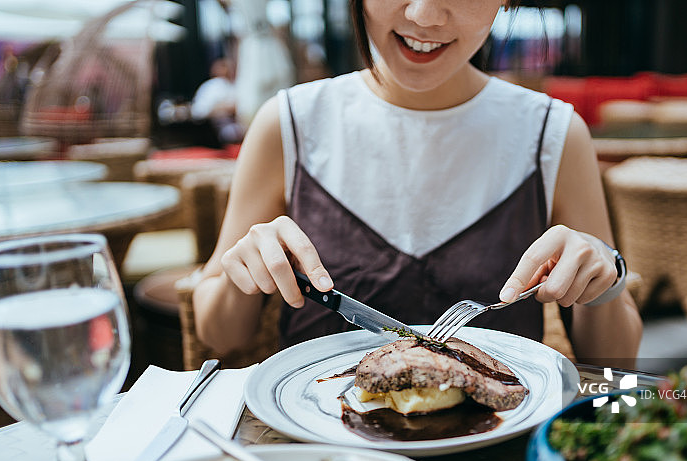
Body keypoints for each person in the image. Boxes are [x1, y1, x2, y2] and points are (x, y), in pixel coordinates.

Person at [193, 0, 643, 368]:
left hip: (496, 453)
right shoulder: (289, 123)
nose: (425, 14)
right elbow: (217, 333)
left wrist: (606, 275)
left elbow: (615, 358)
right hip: (325, 460)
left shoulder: (552, 134)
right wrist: (242, 274)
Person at [190, 57, 245, 144]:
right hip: (219, 132)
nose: (226, 69)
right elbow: (197, 111)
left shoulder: (238, 84)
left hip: (242, 127)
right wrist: (222, 108)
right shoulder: (211, 86)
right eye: (222, 66)